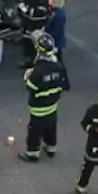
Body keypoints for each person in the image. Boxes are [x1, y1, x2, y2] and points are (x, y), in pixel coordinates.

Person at [19, 33, 65, 162]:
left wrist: (27, 77)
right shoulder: (58, 66)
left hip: (38, 108)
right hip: (53, 105)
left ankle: (32, 153)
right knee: (51, 127)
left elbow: (31, 87)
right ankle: (51, 148)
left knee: (34, 131)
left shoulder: (38, 71)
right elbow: (62, 83)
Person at [18, 0, 49, 69]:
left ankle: (31, 61)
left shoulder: (37, 1)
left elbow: (32, 15)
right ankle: (33, 59)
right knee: (33, 43)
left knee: (31, 44)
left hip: (33, 26)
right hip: (35, 25)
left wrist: (23, 9)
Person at [45, 0, 70, 90]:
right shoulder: (57, 12)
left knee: (58, 63)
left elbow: (57, 31)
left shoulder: (57, 15)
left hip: (55, 42)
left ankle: (64, 82)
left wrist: (46, 34)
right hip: (55, 41)